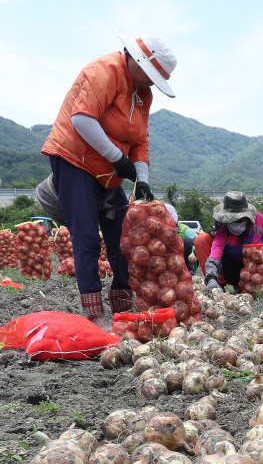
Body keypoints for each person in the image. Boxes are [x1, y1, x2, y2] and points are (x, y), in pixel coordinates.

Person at [41, 30, 177, 330]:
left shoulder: (144, 93)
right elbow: (82, 119)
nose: (152, 82)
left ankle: (123, 306)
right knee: (87, 238)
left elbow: (141, 140)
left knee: (126, 240)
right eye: (152, 75)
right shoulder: (105, 71)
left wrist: (141, 178)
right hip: (74, 159)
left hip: (110, 173)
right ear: (139, 62)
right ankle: (94, 313)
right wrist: (118, 159)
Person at [195, 191, 263, 289]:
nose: (237, 223)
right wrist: (211, 279)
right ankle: (217, 285)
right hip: (229, 268)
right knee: (201, 239)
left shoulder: (257, 220)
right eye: (233, 220)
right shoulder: (223, 230)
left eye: (241, 219)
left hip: (255, 267)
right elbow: (215, 255)